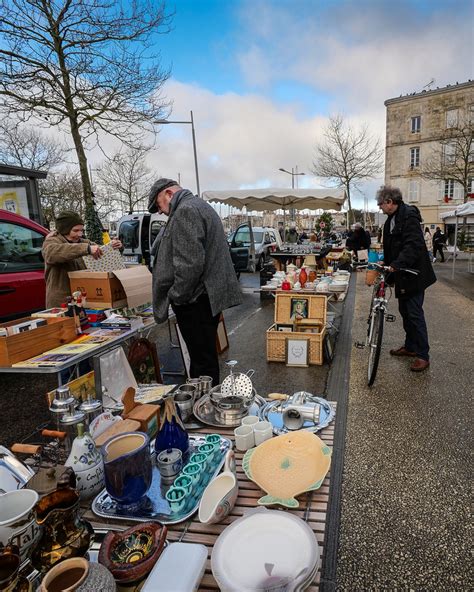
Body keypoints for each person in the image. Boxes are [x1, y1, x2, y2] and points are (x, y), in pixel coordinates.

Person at [148, 178, 242, 386]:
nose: (160, 211)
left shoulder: (185, 210)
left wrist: (177, 296)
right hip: (204, 296)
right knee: (205, 359)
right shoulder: (199, 205)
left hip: (195, 300)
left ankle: (204, 408)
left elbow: (190, 264)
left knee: (201, 363)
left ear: (169, 194)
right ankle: (207, 403)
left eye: (158, 204)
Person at [377, 186, 436, 372]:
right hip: (402, 274)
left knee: (415, 314)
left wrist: (397, 264)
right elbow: (389, 249)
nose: (379, 207)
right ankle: (410, 346)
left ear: (389, 202)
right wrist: (388, 272)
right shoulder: (389, 221)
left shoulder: (409, 215)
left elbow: (413, 245)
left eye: (380, 204)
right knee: (405, 311)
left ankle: (423, 355)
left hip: (414, 274)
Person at [42, 210, 122, 308]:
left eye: (81, 230)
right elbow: (51, 253)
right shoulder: (52, 241)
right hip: (61, 302)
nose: (80, 234)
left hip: (82, 300)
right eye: (75, 231)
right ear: (64, 230)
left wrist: (113, 246)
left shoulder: (83, 241)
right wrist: (86, 249)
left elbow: (100, 250)